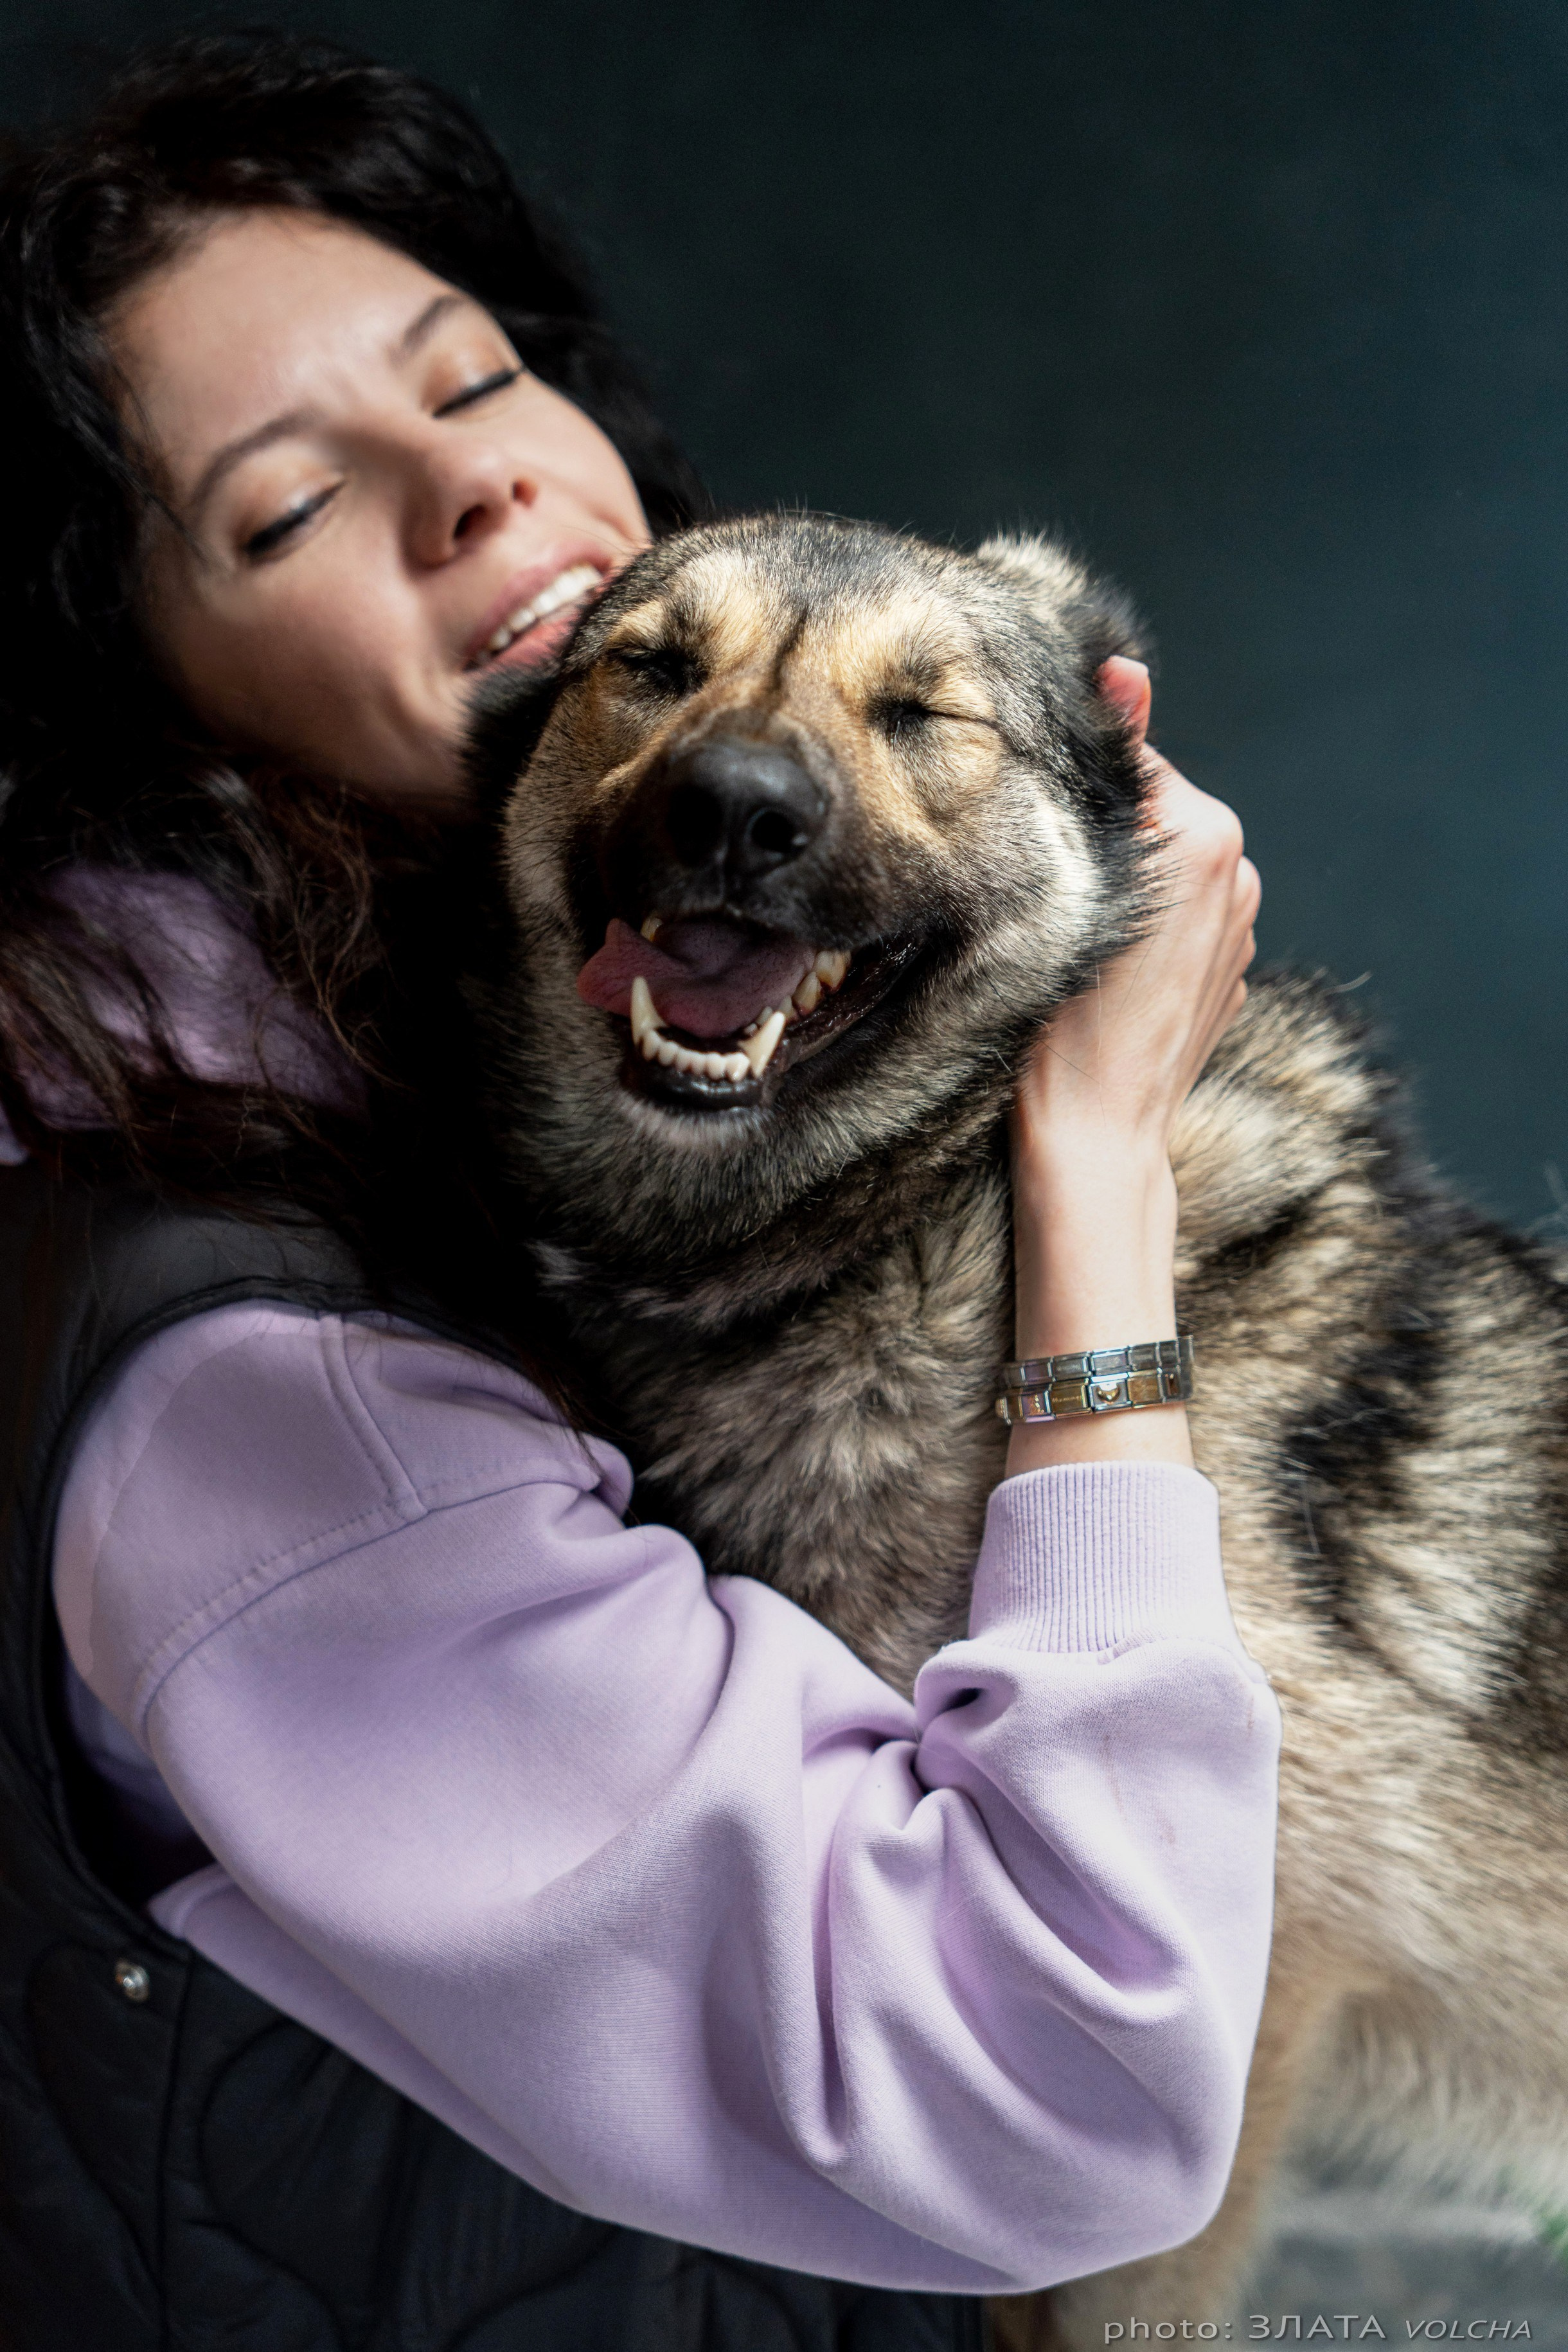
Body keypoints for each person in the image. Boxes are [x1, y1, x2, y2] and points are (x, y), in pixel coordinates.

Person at [0, 30, 1276, 2349]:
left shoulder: (517, 1095)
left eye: (474, 375)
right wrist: (1096, 1171)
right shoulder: (269, 1400)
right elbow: (1067, 2096)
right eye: (286, 509)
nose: (474, 486)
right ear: (131, 700)